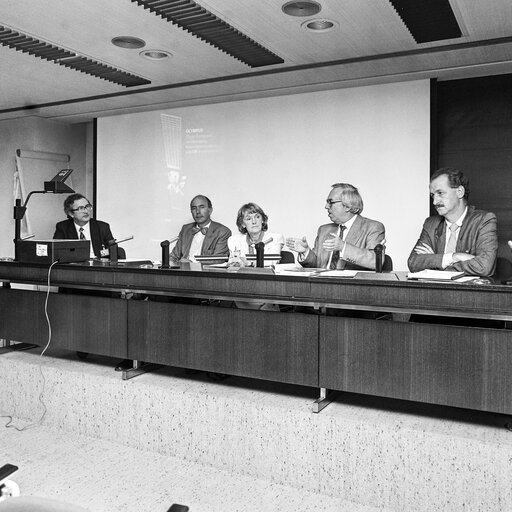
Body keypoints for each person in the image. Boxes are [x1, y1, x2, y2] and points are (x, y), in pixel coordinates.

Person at [408, 167, 497, 277]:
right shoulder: (431, 224)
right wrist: (454, 257)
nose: (435, 201)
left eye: (440, 193)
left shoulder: (484, 220)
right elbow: (413, 262)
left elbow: (484, 266)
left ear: (460, 192)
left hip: (469, 293)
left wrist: (436, 263)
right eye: (432, 195)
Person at [286, 183, 385, 270]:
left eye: (331, 202)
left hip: (351, 288)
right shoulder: (324, 230)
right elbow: (317, 266)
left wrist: (343, 247)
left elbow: (376, 261)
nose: (326, 206)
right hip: (322, 286)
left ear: (347, 206)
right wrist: (306, 252)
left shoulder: (373, 228)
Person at [171, 195, 231, 263]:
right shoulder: (186, 229)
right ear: (191, 211)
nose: (198, 212)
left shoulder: (223, 231)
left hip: (206, 273)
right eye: (194, 208)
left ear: (210, 210)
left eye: (202, 207)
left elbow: (218, 260)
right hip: (184, 272)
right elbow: (173, 256)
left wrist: (191, 265)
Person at [53, 193, 114, 259]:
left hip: (98, 265)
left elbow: (112, 250)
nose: (86, 211)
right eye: (81, 208)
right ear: (71, 213)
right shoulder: (63, 228)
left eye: (87, 206)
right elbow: (56, 252)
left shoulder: (102, 227)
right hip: (75, 266)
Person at [227, 202, 284, 266]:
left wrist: (248, 262)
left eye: (257, 217)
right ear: (243, 224)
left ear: (262, 220)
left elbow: (272, 262)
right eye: (248, 219)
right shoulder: (233, 240)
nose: (254, 222)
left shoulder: (275, 238)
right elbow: (233, 263)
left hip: (266, 275)